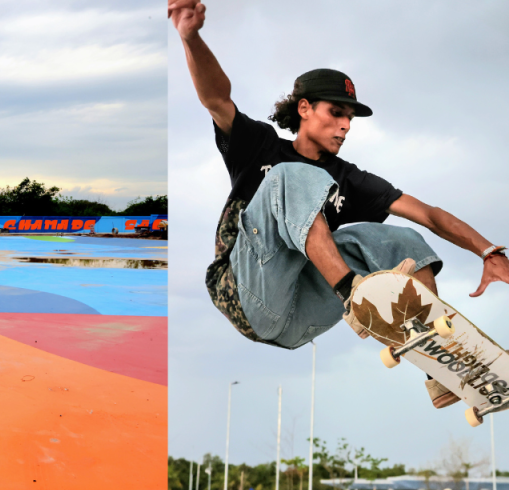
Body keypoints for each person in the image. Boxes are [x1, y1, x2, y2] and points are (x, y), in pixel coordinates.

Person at [168, 0, 509, 408]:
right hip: (246, 295)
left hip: (300, 318)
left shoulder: (350, 178)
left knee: (402, 239)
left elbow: (429, 214)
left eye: (350, 117)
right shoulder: (257, 144)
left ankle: (440, 367)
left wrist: (487, 251)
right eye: (336, 113)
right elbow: (216, 98)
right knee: (290, 176)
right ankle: (354, 294)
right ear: (305, 108)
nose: (346, 125)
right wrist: (191, 37)